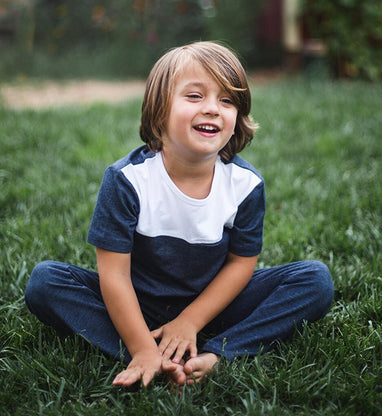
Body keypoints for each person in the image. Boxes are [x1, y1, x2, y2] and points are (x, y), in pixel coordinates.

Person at [25, 41, 334, 388]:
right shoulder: (127, 180)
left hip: (212, 307)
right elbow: (114, 276)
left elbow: (241, 264)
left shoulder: (245, 185)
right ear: (159, 110)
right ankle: (148, 357)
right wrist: (141, 346)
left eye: (227, 100)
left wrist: (190, 320)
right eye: (195, 96)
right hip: (136, 305)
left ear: (238, 117)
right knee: (45, 282)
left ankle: (216, 353)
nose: (214, 109)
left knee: (314, 280)